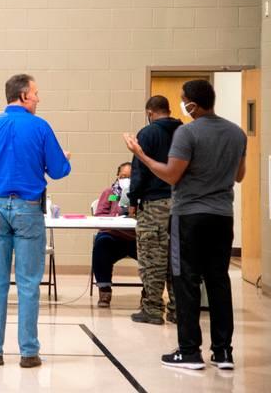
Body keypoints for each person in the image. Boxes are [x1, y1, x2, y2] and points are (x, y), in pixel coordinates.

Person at [124, 80, 246, 370]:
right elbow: (239, 175)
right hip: (222, 215)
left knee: (186, 278)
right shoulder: (237, 133)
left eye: (182, 100)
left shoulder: (187, 133)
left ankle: (190, 350)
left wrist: (139, 153)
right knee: (218, 280)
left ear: (191, 103)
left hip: (189, 215)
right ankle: (223, 351)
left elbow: (171, 175)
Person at [0, 74, 71, 368]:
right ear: (23, 96)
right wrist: (64, 158)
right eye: (35, 93)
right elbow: (59, 171)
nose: (38, 98)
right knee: (28, 282)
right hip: (28, 209)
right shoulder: (40, 127)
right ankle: (28, 352)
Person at [127, 95, 182, 325]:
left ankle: (152, 309)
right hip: (180, 203)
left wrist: (132, 199)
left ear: (150, 112)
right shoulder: (184, 131)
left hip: (154, 204)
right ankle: (178, 310)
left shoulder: (147, 133)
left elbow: (140, 170)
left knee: (152, 259)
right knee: (177, 259)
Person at [92, 162, 136, 308]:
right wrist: (115, 214)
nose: (126, 179)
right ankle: (104, 290)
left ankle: (149, 294)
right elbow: (99, 215)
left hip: (136, 237)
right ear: (117, 176)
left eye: (129, 177)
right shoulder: (110, 193)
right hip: (114, 235)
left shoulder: (141, 193)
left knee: (153, 248)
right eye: (123, 176)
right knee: (101, 243)